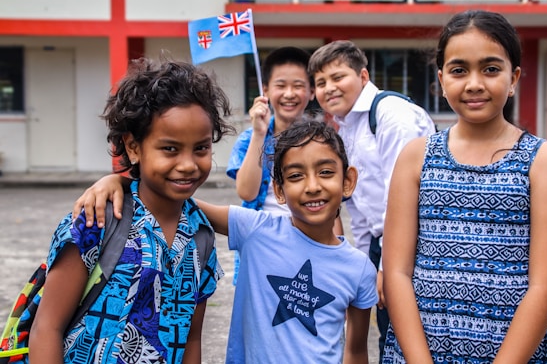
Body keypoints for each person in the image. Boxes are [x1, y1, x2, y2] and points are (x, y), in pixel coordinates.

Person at [72, 120, 378, 363]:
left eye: (325, 172)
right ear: (279, 190)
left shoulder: (360, 269)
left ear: (347, 180)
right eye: (296, 176)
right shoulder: (256, 229)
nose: (313, 186)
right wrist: (121, 181)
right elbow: (178, 199)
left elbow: (355, 351)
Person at [381, 10, 547, 363]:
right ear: (440, 80)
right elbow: (397, 271)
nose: (474, 83)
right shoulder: (416, 157)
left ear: (513, 78)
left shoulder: (542, 162)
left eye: (490, 69)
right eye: (458, 70)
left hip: (510, 351)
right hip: (421, 348)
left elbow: (546, 286)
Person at [30, 58, 233, 363]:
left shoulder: (201, 235)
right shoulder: (97, 220)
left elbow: (191, 338)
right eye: (170, 149)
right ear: (133, 147)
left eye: (201, 148)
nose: (189, 164)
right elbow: (47, 328)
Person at [307, 39, 436, 361]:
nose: (329, 88)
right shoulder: (348, 127)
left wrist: (386, 267)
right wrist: (367, 266)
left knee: (417, 338)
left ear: (363, 76)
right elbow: (360, 209)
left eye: (338, 77)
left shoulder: (391, 116)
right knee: (392, 337)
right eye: (321, 83)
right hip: (386, 245)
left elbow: (403, 199)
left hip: (417, 246)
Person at [226, 46, 344, 285]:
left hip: (310, 243)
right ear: (266, 90)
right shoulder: (249, 139)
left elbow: (334, 204)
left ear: (311, 92)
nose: (289, 93)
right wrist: (260, 134)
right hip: (262, 245)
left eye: (298, 86)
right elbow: (246, 192)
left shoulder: (324, 141)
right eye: (281, 86)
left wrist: (337, 252)